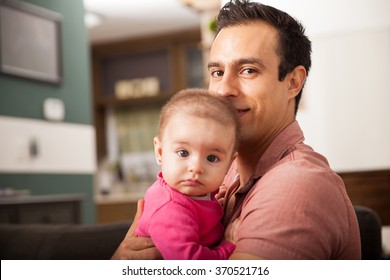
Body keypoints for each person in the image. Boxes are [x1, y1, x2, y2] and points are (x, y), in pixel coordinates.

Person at [112, 0, 361, 260]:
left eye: (248, 70)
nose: (223, 90)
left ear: (293, 82)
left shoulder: (295, 184)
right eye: (217, 72)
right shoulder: (224, 169)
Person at [133, 88, 240, 259]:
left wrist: (213, 199)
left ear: (229, 164)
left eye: (212, 158)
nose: (196, 167)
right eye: (183, 153)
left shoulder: (196, 192)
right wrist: (228, 247)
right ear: (160, 152)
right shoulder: (170, 210)